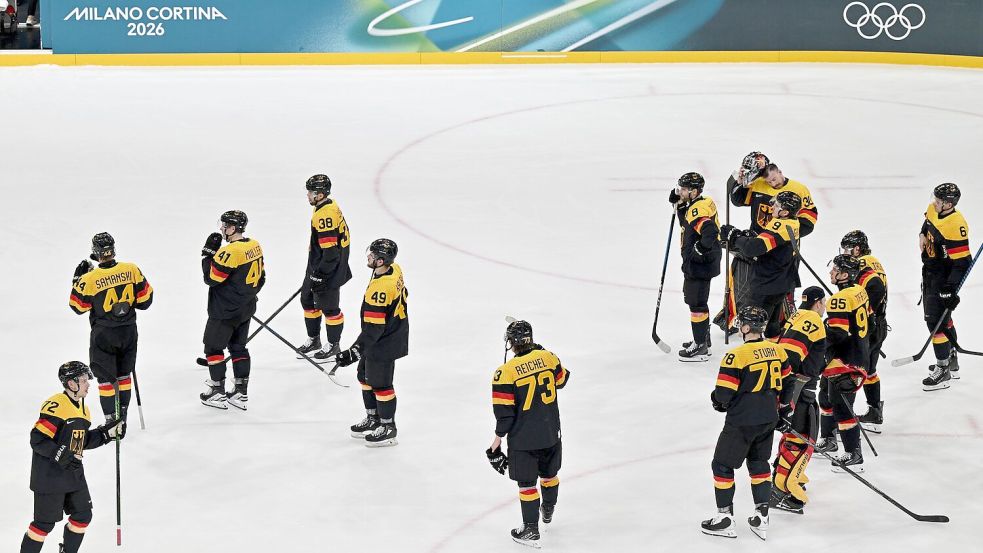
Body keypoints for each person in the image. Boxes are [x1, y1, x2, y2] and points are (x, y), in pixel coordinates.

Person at [19, 361, 123, 553]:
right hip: (50, 476)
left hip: (73, 474)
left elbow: (79, 443)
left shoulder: (84, 409)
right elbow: (38, 439)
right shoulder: (57, 405)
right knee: (43, 525)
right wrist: (61, 455)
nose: (88, 384)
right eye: (83, 380)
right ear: (71, 384)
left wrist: (105, 434)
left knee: (83, 515)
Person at [703, 306, 788, 541]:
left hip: (741, 421)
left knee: (721, 465)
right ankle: (762, 516)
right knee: (759, 463)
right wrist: (784, 410)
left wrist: (717, 402)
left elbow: (723, 394)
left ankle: (724, 518)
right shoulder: (777, 350)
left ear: (747, 327)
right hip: (768, 419)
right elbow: (788, 382)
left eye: (741, 323)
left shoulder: (736, 356)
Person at [487, 320, 570, 548]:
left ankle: (531, 530)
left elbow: (505, 415)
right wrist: (541, 353)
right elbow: (562, 380)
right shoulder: (549, 357)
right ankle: (548, 509)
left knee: (526, 484)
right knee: (549, 475)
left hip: (524, 440)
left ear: (511, 343)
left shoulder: (505, 372)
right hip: (551, 433)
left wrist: (496, 441)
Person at [716, 154, 819, 331]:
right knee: (746, 282)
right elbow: (737, 200)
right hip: (757, 244)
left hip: (780, 248)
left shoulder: (798, 189)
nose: (773, 183)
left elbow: (809, 221)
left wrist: (784, 235)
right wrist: (740, 182)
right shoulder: (758, 184)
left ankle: (780, 322)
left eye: (774, 178)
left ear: (780, 171)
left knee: (780, 289)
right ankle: (740, 317)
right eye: (769, 181)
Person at [69, 232, 153, 429]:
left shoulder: (90, 278)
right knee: (124, 375)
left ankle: (111, 420)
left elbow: (77, 307)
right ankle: (122, 416)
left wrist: (77, 280)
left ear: (96, 252)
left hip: (104, 336)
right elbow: (145, 301)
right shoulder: (131, 269)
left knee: (106, 380)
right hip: (129, 332)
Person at [334, 238, 408, 447]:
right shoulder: (393, 269)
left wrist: (353, 352)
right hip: (385, 335)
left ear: (382, 260)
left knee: (381, 385)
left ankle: (388, 427)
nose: (369, 257)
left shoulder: (381, 289)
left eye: (373, 256)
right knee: (364, 376)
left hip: (385, 341)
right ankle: (373, 418)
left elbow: (375, 328)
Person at [199, 210, 265, 410]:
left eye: (225, 225)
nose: (222, 228)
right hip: (245, 309)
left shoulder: (230, 252)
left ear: (234, 228)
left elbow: (211, 278)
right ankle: (240, 393)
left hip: (224, 311)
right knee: (238, 347)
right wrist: (246, 296)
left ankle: (217, 392)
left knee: (213, 348)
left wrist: (207, 254)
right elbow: (261, 278)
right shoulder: (255, 245)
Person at [771, 286, 827, 514]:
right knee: (801, 438)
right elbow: (791, 357)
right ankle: (780, 489)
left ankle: (784, 476)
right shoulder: (813, 319)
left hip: (797, 389)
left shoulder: (797, 315)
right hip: (799, 390)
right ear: (819, 303)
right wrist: (788, 399)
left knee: (795, 435)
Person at [719, 191, 802, 339]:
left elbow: (752, 249)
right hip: (782, 282)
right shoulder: (793, 222)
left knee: (751, 326)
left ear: (785, 212)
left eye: (776, 205)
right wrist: (746, 238)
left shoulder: (780, 224)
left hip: (767, 284)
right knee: (772, 326)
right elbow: (767, 246)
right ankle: (775, 351)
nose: (772, 207)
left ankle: (756, 356)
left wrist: (735, 237)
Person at [815, 255, 870, 472]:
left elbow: (837, 334)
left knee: (841, 405)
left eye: (835, 270)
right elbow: (870, 323)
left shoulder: (840, 300)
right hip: (850, 357)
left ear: (844, 275)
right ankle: (828, 438)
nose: (830, 273)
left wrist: (818, 339)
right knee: (825, 397)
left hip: (845, 361)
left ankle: (853, 453)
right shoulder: (859, 291)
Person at [920, 183, 971, 391]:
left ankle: (943, 369)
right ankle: (950, 358)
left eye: (939, 200)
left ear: (949, 204)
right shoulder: (934, 209)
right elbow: (926, 224)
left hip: (943, 275)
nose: (935, 202)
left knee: (935, 322)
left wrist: (950, 287)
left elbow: (963, 262)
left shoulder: (956, 225)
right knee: (944, 319)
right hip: (931, 271)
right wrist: (922, 235)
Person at [297, 174, 353, 362]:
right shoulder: (326, 206)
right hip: (318, 265)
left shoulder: (325, 215)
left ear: (320, 194)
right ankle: (314, 340)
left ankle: (333, 345)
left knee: (330, 309)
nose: (307, 195)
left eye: (311, 192)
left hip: (329, 269)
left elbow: (331, 253)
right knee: (307, 300)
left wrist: (320, 275)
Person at [670, 172, 722, 361]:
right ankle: (702, 338)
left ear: (693, 191)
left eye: (684, 189)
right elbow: (687, 224)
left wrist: (699, 249)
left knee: (696, 303)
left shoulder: (697, 210)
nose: (680, 191)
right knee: (698, 301)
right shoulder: (702, 201)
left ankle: (700, 346)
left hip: (700, 263)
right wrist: (680, 204)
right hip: (704, 261)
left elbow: (709, 231)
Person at [840, 231, 889, 431]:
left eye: (847, 248)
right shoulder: (874, 261)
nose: (844, 252)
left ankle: (843, 416)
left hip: (868, 326)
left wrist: (860, 313)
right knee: (870, 370)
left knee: (852, 369)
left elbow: (875, 291)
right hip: (879, 324)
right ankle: (875, 411)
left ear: (857, 249)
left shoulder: (863, 265)